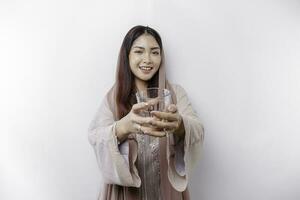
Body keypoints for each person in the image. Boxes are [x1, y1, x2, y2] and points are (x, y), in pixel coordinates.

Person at [88, 25, 204, 200]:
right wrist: (122, 127)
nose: (147, 59)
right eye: (139, 51)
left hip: (166, 192)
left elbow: (198, 129)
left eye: (155, 52)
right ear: (127, 56)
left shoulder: (175, 94)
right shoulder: (113, 99)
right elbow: (96, 137)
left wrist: (179, 124)